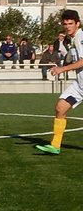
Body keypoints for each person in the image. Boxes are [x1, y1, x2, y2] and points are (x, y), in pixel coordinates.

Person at [35, 9, 83, 155]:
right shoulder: (72, 39)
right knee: (60, 108)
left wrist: (62, 69)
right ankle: (55, 146)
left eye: (70, 23)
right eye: (65, 24)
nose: (67, 26)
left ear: (78, 24)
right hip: (80, 85)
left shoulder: (80, 37)